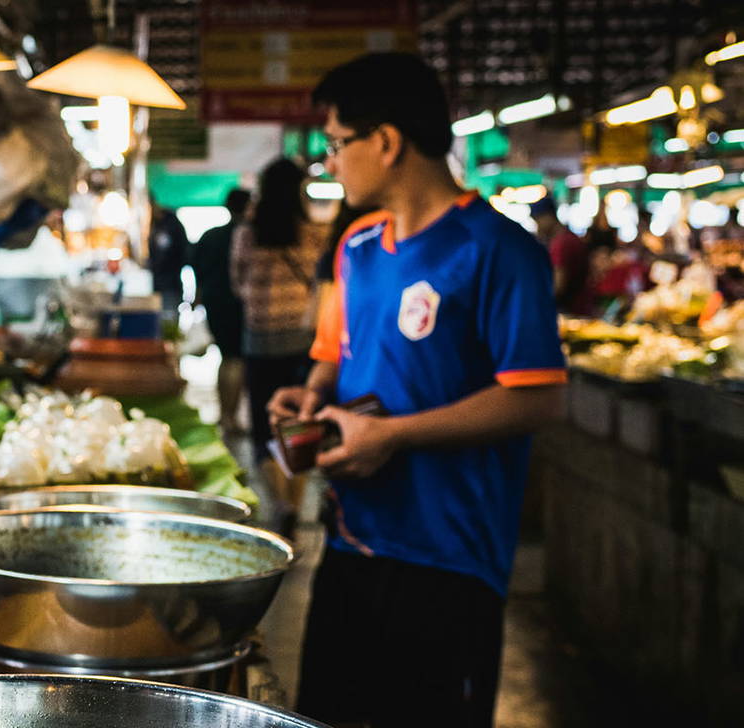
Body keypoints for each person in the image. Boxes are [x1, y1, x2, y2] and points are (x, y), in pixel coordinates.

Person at [269, 53, 566, 728]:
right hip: (351, 542)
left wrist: (394, 435)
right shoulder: (356, 247)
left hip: (449, 560)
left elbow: (537, 397)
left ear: (387, 141)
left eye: (337, 144)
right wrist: (309, 397)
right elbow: (332, 358)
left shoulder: (498, 249)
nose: (331, 162)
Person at [231, 160, 326, 461]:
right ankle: (294, 494)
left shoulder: (247, 232)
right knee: (298, 417)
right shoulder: (313, 233)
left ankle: (278, 499)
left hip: (258, 337)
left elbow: (237, 282)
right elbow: (319, 283)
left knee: (264, 417)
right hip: (300, 337)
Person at [188, 187, 251, 433]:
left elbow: (196, 270)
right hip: (238, 306)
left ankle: (225, 414)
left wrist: (197, 298)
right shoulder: (248, 236)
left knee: (226, 358)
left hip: (215, 303)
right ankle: (230, 416)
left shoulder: (211, 235)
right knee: (235, 359)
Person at [533, 197, 591, 315]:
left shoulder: (560, 244)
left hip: (571, 312)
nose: (537, 226)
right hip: (583, 307)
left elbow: (558, 286)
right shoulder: (571, 237)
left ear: (549, 217)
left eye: (538, 220)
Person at [147, 200, 189, 319]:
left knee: (168, 321)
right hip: (161, 284)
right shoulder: (158, 224)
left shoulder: (170, 225)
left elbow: (182, 256)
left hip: (169, 285)